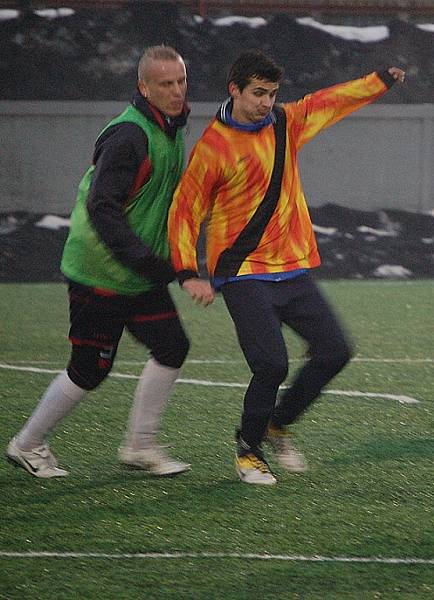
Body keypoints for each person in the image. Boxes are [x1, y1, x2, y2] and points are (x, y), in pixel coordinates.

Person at [169, 50, 405, 485]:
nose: (266, 102)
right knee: (271, 364)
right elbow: (185, 210)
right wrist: (187, 272)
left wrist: (377, 82)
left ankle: (278, 422)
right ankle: (248, 449)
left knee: (336, 350)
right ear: (234, 89)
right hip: (242, 274)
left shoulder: (285, 122)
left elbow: (328, 102)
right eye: (258, 93)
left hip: (292, 268)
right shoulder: (213, 147)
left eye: (273, 93)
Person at [6, 45, 192, 478]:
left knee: (172, 346)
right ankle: (28, 444)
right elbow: (101, 207)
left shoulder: (170, 127)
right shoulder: (129, 135)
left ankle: (140, 446)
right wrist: (148, 262)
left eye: (181, 80)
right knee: (89, 369)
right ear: (143, 88)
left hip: (135, 273)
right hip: (101, 273)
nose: (177, 91)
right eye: (166, 84)